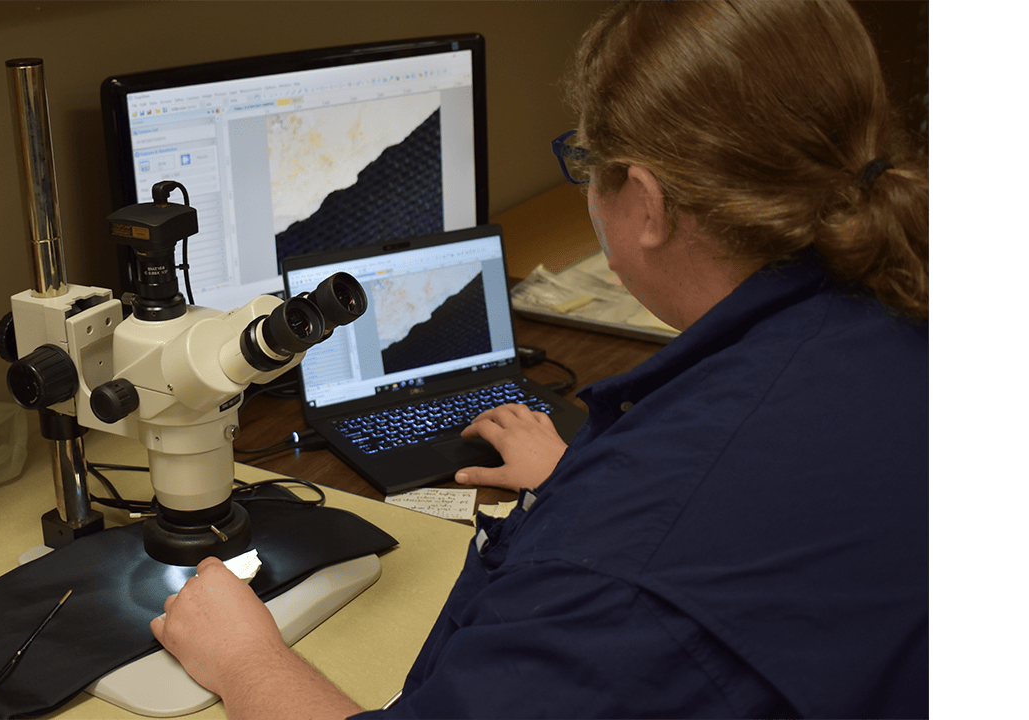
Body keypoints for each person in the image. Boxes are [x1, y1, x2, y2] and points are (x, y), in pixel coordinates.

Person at [149, 0, 929, 717]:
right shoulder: (901, 314)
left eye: (587, 165)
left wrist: (245, 659)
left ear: (648, 205)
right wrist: (578, 486)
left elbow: (671, 558)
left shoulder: (623, 568)